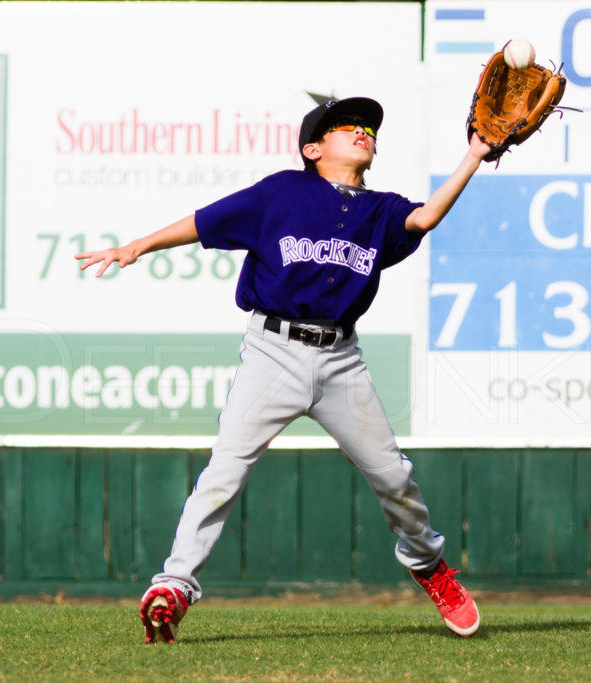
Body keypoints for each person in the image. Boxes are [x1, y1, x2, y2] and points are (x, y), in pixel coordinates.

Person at [76, 97, 493, 643]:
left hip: (341, 359)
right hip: (273, 350)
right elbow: (206, 223)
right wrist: (142, 245)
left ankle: (429, 566)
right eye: (350, 127)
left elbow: (426, 216)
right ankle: (174, 584)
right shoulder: (282, 192)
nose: (365, 132)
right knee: (224, 470)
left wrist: (476, 153)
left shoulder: (381, 210)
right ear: (313, 148)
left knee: (393, 475)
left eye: (370, 129)